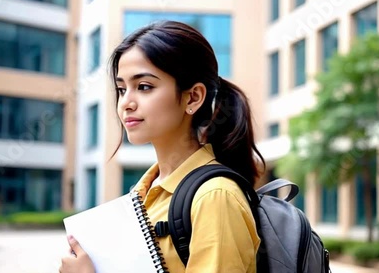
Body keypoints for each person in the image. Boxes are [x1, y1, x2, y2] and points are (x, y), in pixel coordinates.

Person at [59, 20, 265, 273]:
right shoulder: (145, 192)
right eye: (122, 89)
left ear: (193, 97)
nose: (126, 103)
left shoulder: (215, 197)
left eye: (144, 87)